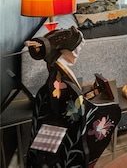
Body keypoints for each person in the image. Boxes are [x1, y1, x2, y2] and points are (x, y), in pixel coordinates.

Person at [25, 26, 121, 168]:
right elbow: (73, 107)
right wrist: (112, 109)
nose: (78, 51)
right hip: (65, 131)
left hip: (56, 123)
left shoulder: (55, 77)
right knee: (114, 111)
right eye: (77, 48)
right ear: (66, 51)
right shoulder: (62, 80)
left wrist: (91, 94)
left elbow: (71, 102)